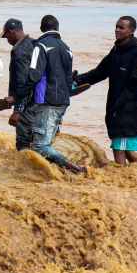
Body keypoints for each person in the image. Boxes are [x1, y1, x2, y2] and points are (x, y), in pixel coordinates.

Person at [75, 16, 137, 166]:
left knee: (118, 149)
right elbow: (99, 73)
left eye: (122, 27)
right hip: (115, 106)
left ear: (131, 31)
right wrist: (76, 81)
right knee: (126, 150)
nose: (117, 30)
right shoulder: (116, 50)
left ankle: (123, 180)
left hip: (127, 108)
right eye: (116, 26)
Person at [24, 15, 86, 174]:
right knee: (46, 142)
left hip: (46, 101)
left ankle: (74, 168)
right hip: (63, 101)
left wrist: (20, 97)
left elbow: (34, 75)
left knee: (40, 146)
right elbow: (68, 77)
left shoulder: (41, 46)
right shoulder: (67, 48)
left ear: (41, 28)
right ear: (57, 28)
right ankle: (56, 175)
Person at [0, 18, 37, 151]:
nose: (7, 39)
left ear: (12, 32)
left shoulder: (19, 52)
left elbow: (23, 82)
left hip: (27, 104)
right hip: (41, 101)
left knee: (23, 144)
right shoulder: (35, 44)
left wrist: (17, 110)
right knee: (38, 140)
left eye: (6, 36)